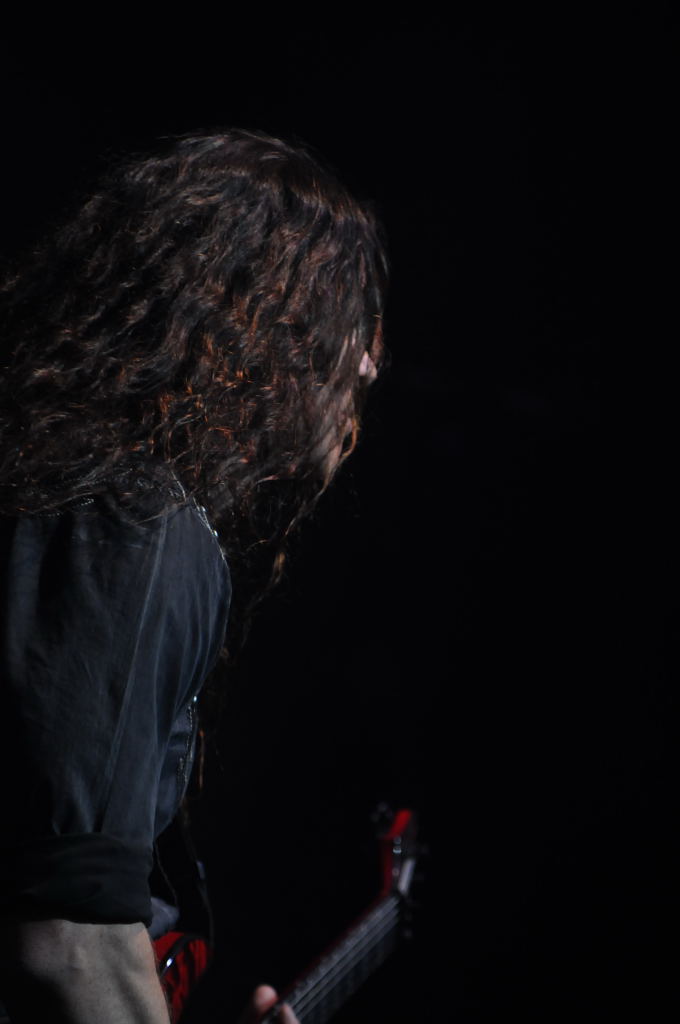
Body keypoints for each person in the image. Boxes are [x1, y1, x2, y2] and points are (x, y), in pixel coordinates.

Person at [0, 128, 387, 1023]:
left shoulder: (54, 484)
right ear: (262, 321)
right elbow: (71, 941)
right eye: (347, 315)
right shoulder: (140, 526)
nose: (369, 361)